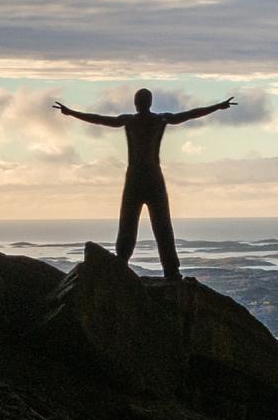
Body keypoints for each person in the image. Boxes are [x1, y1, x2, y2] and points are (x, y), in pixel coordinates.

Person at [54, 87, 232, 280]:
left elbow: (100, 119)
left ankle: (122, 265)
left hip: (135, 178)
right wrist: (218, 106)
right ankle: (171, 271)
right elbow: (189, 115)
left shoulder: (129, 121)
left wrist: (71, 113)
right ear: (150, 102)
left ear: (136, 103)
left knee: (128, 224)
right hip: (154, 177)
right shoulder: (160, 119)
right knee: (162, 226)